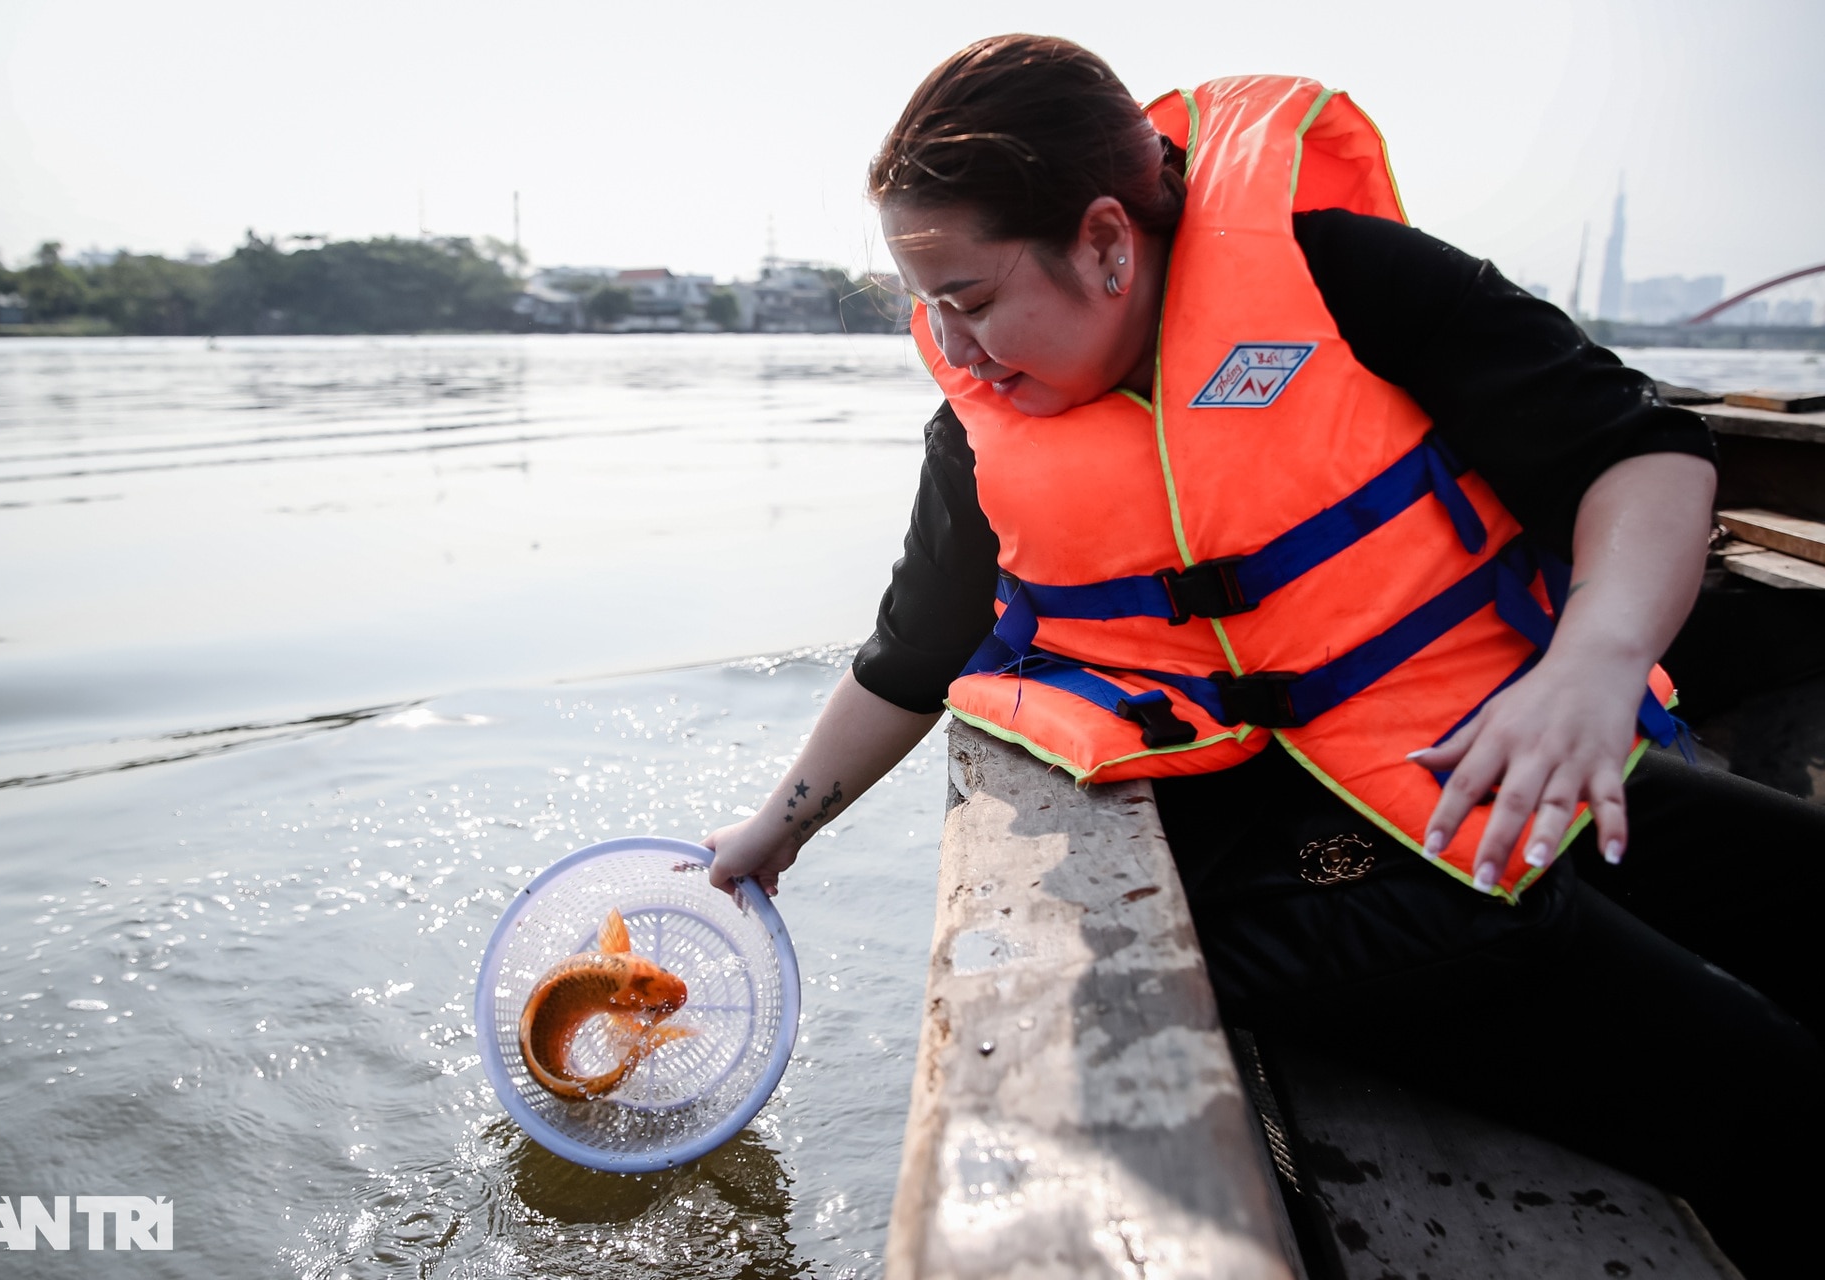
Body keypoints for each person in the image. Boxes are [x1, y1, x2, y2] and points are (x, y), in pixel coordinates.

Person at [705, 34, 1823, 1273]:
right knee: (1779, 1100)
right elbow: (912, 656)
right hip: (1292, 877)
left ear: (1108, 242)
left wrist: (1591, 664)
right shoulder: (979, 436)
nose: (954, 348)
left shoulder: (1342, 279)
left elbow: (1645, 451)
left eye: (971, 299)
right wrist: (777, 830)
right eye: (928, 307)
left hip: (1477, 757)